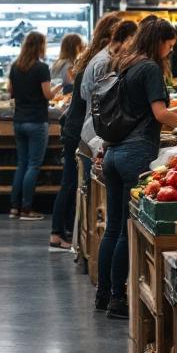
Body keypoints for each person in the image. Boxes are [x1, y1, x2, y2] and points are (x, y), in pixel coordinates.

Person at [98, 17, 177, 319]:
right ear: (160, 41)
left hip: (114, 151)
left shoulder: (125, 62)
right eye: (169, 45)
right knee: (125, 230)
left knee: (113, 228)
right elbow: (160, 114)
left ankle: (104, 293)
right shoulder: (149, 69)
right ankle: (118, 300)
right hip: (135, 153)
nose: (170, 51)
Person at [50, 17, 120, 252]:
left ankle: (64, 231)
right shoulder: (102, 62)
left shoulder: (90, 58)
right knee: (70, 183)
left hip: (74, 129)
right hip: (80, 131)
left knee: (70, 182)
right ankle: (58, 233)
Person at [8, 31, 56, 221]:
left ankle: (14, 208)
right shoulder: (42, 68)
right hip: (36, 120)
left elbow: (10, 92)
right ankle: (27, 209)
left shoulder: (15, 66)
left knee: (22, 164)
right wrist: (58, 89)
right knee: (33, 165)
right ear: (40, 46)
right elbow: (47, 95)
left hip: (19, 120)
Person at [80, 19, 139, 146]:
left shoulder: (105, 57)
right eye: (134, 43)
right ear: (128, 38)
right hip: (97, 133)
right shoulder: (104, 62)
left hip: (95, 129)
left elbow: (85, 95)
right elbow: (107, 102)